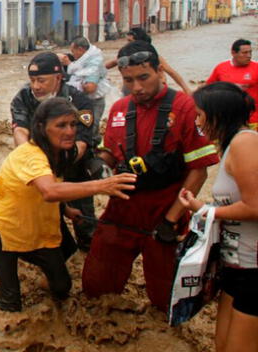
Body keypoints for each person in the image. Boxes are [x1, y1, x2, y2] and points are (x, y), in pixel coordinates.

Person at [82, 40, 220, 312]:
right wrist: (99, 165)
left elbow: (199, 171)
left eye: (143, 77)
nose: (137, 88)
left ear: (160, 71)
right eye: (128, 80)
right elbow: (109, 151)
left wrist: (172, 219)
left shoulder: (185, 108)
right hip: (123, 207)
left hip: (165, 209)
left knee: (167, 298)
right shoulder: (120, 108)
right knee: (95, 288)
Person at [0, 98, 136, 312]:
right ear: (41, 128)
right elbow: (49, 191)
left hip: (38, 232)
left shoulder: (59, 153)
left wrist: (66, 210)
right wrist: (102, 185)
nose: (70, 131)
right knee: (10, 301)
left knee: (62, 287)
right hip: (5, 234)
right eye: (61, 125)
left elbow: (50, 189)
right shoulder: (30, 155)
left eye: (73, 124)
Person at [178, 82, 258, 352]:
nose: (197, 122)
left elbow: (255, 205)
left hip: (253, 268)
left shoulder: (245, 143)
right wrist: (199, 206)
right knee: (222, 344)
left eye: (200, 115)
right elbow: (237, 203)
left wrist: (208, 211)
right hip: (235, 266)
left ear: (218, 115)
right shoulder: (229, 146)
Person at [11, 52, 99, 250]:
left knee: (84, 221)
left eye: (41, 80)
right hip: (40, 168)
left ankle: (87, 250)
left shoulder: (80, 102)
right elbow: (20, 130)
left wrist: (58, 163)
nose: (36, 86)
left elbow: (82, 143)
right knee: (46, 217)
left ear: (58, 78)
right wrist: (29, 158)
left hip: (74, 166)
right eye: (32, 80)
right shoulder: (23, 97)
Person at [105, 28, 192, 95]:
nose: (127, 43)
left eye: (130, 41)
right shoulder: (125, 56)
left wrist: (187, 90)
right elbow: (108, 65)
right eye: (127, 41)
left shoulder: (151, 56)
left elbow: (172, 73)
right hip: (129, 92)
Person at [206, 39, 258, 130]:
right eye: (244, 53)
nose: (249, 56)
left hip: (253, 120)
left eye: (250, 52)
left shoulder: (256, 68)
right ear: (233, 53)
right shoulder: (221, 68)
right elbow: (207, 90)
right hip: (227, 120)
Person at [64, 36, 111, 123]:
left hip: (94, 102)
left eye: (73, 52)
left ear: (80, 49)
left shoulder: (93, 63)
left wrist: (76, 84)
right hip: (84, 100)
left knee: (91, 128)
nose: (73, 55)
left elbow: (90, 87)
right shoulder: (85, 60)